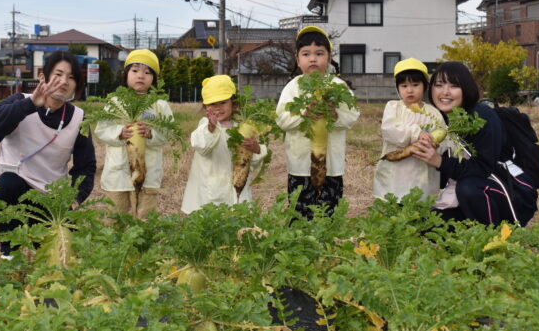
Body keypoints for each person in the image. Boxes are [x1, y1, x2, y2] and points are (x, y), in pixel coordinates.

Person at [0, 50, 96, 256]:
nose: (64, 81)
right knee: (8, 183)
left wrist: (75, 199)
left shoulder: (78, 118)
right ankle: (9, 252)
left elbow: (86, 167)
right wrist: (30, 104)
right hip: (13, 191)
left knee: (67, 249)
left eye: (71, 77)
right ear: (42, 77)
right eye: (58, 74)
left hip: (49, 198)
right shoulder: (21, 101)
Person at [411, 61, 538, 226]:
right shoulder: (440, 121)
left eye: (454, 86)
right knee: (429, 225)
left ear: (466, 88)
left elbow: (483, 168)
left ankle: (494, 236)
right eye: (439, 85)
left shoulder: (481, 116)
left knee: (468, 188)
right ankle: (473, 235)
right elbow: (445, 177)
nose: (445, 92)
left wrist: (439, 161)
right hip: (468, 194)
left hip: (509, 192)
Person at [276, 26, 360, 219]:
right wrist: (303, 114)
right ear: (298, 60)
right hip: (300, 166)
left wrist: (335, 115)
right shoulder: (292, 88)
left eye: (319, 53)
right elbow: (282, 119)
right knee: (300, 213)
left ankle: (328, 235)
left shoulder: (338, 86)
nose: (313, 59)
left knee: (330, 212)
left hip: (332, 167)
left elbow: (352, 114)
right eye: (306, 54)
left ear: (329, 58)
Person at [94, 49, 174, 219]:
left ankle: (144, 237)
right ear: (125, 75)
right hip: (118, 174)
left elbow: (169, 132)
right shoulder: (116, 102)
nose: (141, 76)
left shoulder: (159, 105)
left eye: (147, 72)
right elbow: (102, 129)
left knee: (146, 218)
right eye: (135, 70)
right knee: (115, 216)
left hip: (148, 175)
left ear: (154, 79)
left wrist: (152, 134)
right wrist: (120, 133)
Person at [181, 75, 267, 214]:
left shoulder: (242, 129)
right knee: (211, 221)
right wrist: (211, 127)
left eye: (223, 102)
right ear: (205, 107)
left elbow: (249, 164)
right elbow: (202, 146)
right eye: (212, 104)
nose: (217, 108)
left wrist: (256, 150)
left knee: (238, 218)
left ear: (234, 104)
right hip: (209, 193)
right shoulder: (204, 126)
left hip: (238, 188)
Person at [373, 58, 450, 202]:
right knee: (393, 200)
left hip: (422, 170)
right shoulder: (393, 107)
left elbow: (444, 139)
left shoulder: (433, 113)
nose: (409, 90)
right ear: (398, 88)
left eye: (415, 85)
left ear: (424, 86)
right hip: (395, 170)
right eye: (404, 85)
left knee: (419, 201)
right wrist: (417, 134)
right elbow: (390, 130)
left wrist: (435, 145)